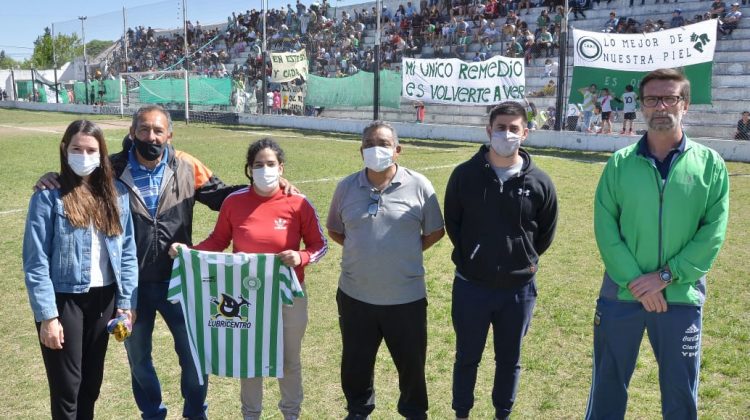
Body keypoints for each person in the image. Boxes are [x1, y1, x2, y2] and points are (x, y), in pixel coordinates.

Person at [585, 68, 730, 419]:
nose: (661, 106)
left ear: (686, 104)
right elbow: (607, 230)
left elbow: (712, 234)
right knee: (607, 386)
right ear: (642, 106)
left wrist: (664, 278)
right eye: (652, 99)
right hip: (621, 294)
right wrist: (638, 282)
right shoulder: (619, 164)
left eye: (670, 98)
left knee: (681, 394)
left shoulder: (710, 165)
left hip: (680, 297)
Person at [170, 138, 327, 420]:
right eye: (258, 165)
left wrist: (301, 257)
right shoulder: (234, 202)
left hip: (288, 296)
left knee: (289, 360)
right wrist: (187, 253)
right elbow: (218, 240)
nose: (265, 169)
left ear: (281, 168)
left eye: (270, 164)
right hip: (247, 296)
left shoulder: (298, 203)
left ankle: (291, 414)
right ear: (248, 169)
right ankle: (250, 415)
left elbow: (320, 245)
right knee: (250, 359)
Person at [445, 102, 558, 420]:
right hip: (471, 287)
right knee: (467, 356)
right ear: (488, 130)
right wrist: (475, 255)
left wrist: (521, 260)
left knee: (509, 358)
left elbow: (545, 233)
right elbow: (454, 223)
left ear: (525, 132)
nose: (506, 133)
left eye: (513, 128)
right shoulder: (465, 176)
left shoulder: (540, 182)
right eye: (500, 127)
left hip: (518, 290)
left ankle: (502, 413)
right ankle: (462, 413)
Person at [326, 121, 445, 420]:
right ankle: (358, 409)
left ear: (398, 150)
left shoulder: (420, 185)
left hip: (405, 297)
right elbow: (335, 230)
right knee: (356, 362)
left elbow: (435, 231)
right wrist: (365, 252)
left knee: (411, 364)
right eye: (368, 143)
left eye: (383, 143)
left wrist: (402, 253)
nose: (375, 148)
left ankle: (414, 411)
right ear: (360, 150)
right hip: (356, 296)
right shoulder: (346, 187)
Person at [23, 120, 138, 419]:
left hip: (104, 300)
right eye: (77, 148)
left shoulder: (117, 195)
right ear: (65, 149)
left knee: (91, 385)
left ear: (101, 154)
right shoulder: (48, 196)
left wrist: (125, 304)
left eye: (91, 150)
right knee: (67, 388)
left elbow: (126, 254)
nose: (84, 155)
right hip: (65, 301)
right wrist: (48, 316)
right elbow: (35, 262)